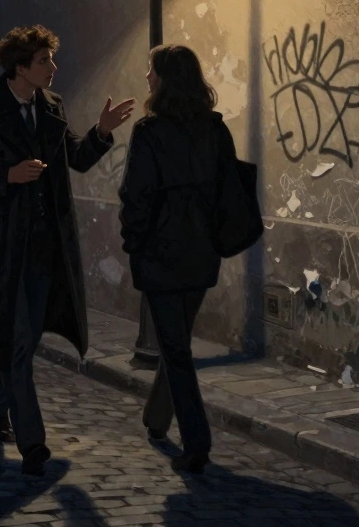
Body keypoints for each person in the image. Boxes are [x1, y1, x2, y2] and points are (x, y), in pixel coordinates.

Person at [0, 24, 135, 476]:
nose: (54, 68)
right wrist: (6, 176)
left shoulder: (51, 105)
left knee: (25, 341)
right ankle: (33, 444)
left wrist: (102, 132)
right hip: (0, 249)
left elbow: (76, 157)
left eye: (51, 59)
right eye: (45, 61)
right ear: (20, 67)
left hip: (46, 247)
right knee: (16, 340)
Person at [117, 44, 234, 474]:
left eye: (151, 70)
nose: (147, 77)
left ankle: (197, 443)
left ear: (165, 79)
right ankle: (155, 418)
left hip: (163, 256)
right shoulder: (215, 129)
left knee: (176, 350)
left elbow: (135, 195)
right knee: (175, 342)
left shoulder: (150, 132)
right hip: (201, 254)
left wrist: (133, 241)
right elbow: (227, 192)